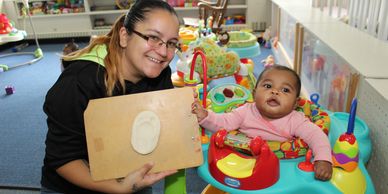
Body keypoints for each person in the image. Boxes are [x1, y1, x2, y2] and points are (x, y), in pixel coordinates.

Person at [41, 0, 181, 193]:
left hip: (130, 174)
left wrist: (186, 114)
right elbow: (62, 158)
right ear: (124, 36)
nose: (164, 52)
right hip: (75, 185)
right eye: (152, 37)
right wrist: (119, 188)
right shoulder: (79, 82)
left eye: (171, 43)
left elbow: (164, 120)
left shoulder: (159, 72)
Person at [192, 65, 333, 181]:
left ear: (295, 103)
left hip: (282, 167)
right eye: (267, 86)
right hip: (245, 160)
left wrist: (323, 159)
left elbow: (317, 136)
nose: (275, 92)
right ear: (254, 94)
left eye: (285, 90)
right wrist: (205, 116)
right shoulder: (245, 111)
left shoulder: (295, 120)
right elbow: (224, 123)